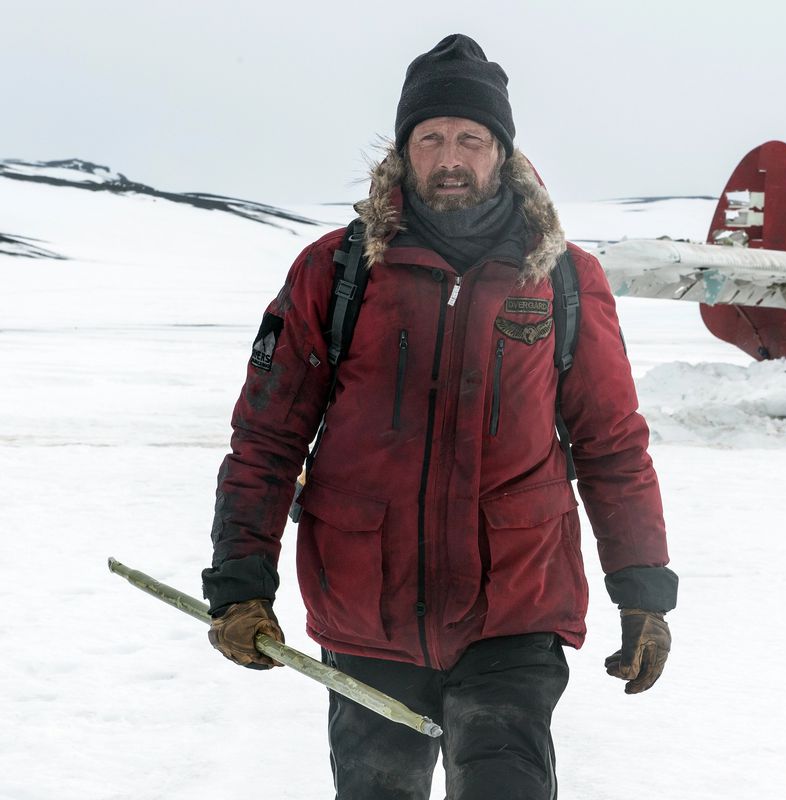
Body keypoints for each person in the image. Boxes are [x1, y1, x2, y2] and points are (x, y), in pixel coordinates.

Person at [201, 33, 677, 800]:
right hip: (367, 613)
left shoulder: (563, 279)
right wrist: (240, 582)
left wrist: (643, 590)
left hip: (515, 612)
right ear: (403, 151)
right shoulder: (338, 270)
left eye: (470, 138)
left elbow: (611, 445)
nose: (450, 158)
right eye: (431, 139)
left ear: (502, 151)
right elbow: (267, 437)